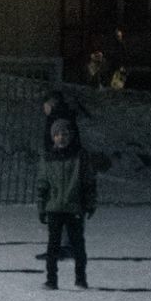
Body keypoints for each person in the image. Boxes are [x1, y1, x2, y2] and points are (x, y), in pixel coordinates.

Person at [36, 115, 98, 289]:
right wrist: (41, 206)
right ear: (53, 137)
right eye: (57, 134)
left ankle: (80, 279)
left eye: (64, 134)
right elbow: (42, 183)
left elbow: (88, 181)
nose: (61, 137)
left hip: (74, 206)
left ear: (70, 136)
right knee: (53, 245)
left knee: (78, 244)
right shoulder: (48, 157)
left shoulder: (80, 156)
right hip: (54, 206)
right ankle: (51, 280)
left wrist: (90, 203)